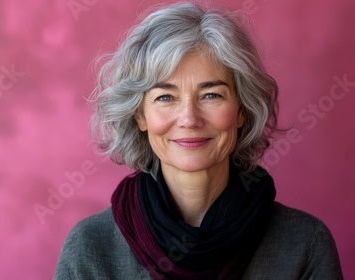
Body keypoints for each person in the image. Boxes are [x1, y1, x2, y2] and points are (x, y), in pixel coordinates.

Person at [54, 2, 343, 279]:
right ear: (140, 116)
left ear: (242, 110)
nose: (189, 118)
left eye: (211, 95)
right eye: (165, 97)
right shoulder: (91, 248)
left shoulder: (305, 244)